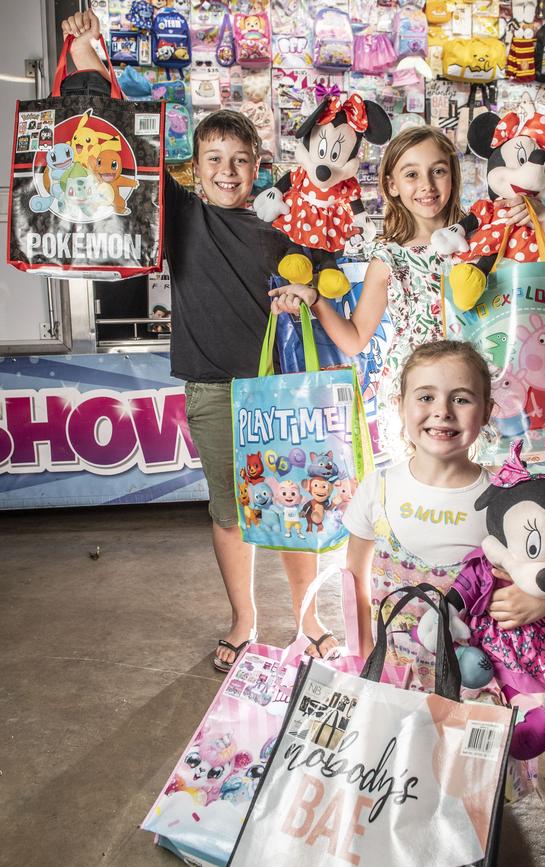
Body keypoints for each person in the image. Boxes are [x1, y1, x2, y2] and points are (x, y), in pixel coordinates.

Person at [61, 8, 338, 670]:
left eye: (241, 161)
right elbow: (115, 131)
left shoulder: (283, 222)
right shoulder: (177, 213)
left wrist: (310, 287)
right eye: (214, 159)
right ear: (195, 165)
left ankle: (310, 620)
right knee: (230, 509)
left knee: (290, 507)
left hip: (280, 391)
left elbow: (327, 270)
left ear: (258, 167)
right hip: (212, 389)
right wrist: (81, 50)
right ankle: (245, 619)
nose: (227, 170)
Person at [270, 125, 545, 458]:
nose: (426, 186)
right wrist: (316, 300)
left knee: (480, 492)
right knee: (418, 498)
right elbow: (355, 338)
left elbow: (538, 287)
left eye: (438, 171)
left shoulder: (484, 240)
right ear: (392, 184)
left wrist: (542, 219)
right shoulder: (388, 257)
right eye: (411, 174)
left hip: (476, 392)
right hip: (412, 397)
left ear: (453, 176)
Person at [341, 340, 545, 691]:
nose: (443, 411)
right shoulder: (379, 488)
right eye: (425, 397)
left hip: (477, 680)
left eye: (461, 398)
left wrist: (543, 603)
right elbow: (354, 584)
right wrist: (363, 660)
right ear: (400, 406)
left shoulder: (508, 499)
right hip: (392, 674)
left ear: (486, 412)